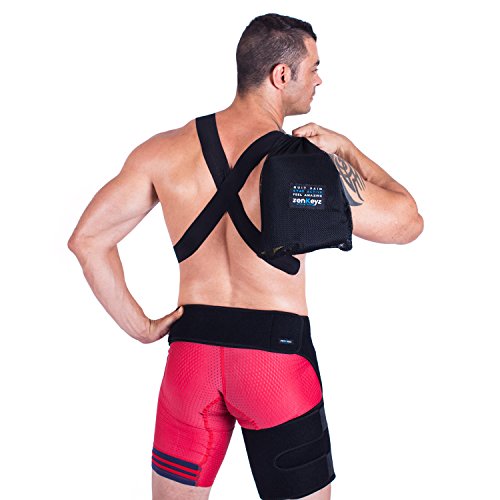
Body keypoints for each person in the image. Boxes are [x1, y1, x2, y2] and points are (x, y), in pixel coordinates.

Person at [68, 12, 423, 500]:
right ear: (282, 74)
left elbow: (88, 240)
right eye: (314, 68)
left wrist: (141, 326)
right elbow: (407, 221)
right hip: (274, 362)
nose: (319, 80)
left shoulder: (162, 152)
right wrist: (346, 150)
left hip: (191, 356)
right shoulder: (308, 163)